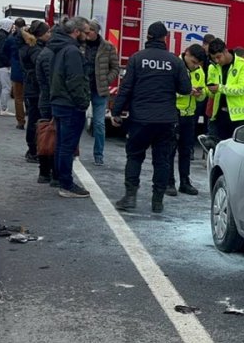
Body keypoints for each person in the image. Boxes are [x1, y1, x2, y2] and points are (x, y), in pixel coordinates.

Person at [111, 21, 192, 214]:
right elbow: (185, 89)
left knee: (135, 157)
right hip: (166, 120)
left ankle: (130, 196)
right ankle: (157, 201)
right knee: (162, 160)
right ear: (165, 38)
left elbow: (126, 88)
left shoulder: (137, 59)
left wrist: (116, 111)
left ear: (147, 37)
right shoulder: (175, 61)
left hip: (140, 118)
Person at [49, 16, 92, 198]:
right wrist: (82, 102)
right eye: (86, 31)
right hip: (70, 104)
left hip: (59, 101)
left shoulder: (58, 47)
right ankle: (66, 184)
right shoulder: (72, 51)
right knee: (68, 146)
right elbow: (75, 80)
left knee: (61, 144)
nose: (88, 35)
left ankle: (59, 178)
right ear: (77, 32)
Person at [168, 44, 209, 197]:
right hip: (174, 113)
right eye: (193, 62)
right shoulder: (175, 66)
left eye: (198, 64)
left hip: (190, 114)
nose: (195, 66)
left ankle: (184, 181)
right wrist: (186, 92)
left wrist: (200, 94)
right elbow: (168, 90)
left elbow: (204, 93)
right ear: (186, 54)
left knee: (186, 150)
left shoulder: (199, 71)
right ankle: (169, 182)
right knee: (169, 150)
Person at [199, 39, 244, 150]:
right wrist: (203, 91)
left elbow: (243, 88)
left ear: (225, 51)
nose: (216, 60)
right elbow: (212, 93)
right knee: (218, 152)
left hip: (240, 117)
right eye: (213, 58)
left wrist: (220, 88)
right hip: (219, 115)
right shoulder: (212, 67)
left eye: (218, 57)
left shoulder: (243, 65)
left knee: (238, 152)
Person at [83, 21, 120, 166]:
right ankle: (73, 152)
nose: (87, 33)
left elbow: (115, 68)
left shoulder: (108, 47)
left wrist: (106, 80)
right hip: (83, 88)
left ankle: (98, 155)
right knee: (77, 122)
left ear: (97, 32)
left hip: (100, 90)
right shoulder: (80, 45)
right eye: (86, 31)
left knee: (99, 124)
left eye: (90, 31)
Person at [19, 20, 51, 164]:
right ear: (40, 34)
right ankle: (33, 150)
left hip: (32, 88)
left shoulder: (31, 47)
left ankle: (33, 149)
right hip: (35, 89)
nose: (49, 35)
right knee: (35, 120)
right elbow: (40, 70)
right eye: (47, 32)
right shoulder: (35, 50)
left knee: (34, 118)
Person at [34, 23, 56, 184]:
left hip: (46, 99)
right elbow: (51, 81)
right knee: (50, 136)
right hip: (51, 100)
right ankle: (47, 172)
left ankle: (45, 172)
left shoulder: (45, 53)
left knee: (45, 135)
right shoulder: (49, 55)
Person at [4, 18, 28, 129]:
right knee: (30, 96)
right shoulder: (29, 37)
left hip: (17, 70)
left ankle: (20, 121)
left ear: (15, 26)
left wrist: (11, 61)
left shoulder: (11, 38)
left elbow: (4, 51)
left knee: (18, 98)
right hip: (29, 71)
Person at [0, 18, 13, 116]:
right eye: (11, 25)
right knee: (6, 87)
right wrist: (8, 63)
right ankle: (4, 108)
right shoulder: (4, 37)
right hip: (3, 65)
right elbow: (3, 52)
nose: (12, 27)